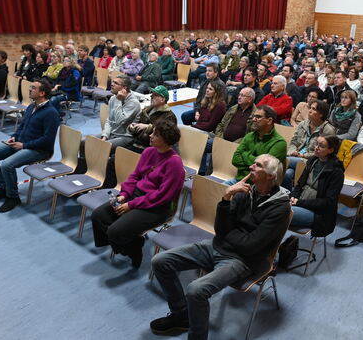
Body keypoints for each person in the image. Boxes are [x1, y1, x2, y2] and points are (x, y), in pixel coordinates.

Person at [149, 153, 290, 340]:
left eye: (258, 165)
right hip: (217, 245)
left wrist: (228, 234)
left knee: (196, 290)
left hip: (243, 261)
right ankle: (182, 316)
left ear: (271, 176)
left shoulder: (280, 208)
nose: (251, 167)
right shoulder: (243, 191)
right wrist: (225, 199)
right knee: (160, 261)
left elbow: (251, 247)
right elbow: (220, 228)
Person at [91, 119, 185, 268]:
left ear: (166, 140)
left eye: (156, 134)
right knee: (98, 216)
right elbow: (135, 176)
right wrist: (124, 194)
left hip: (157, 207)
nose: (150, 136)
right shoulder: (148, 152)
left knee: (115, 231)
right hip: (136, 196)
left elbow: (162, 196)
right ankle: (132, 241)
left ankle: (134, 248)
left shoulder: (175, 164)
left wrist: (131, 205)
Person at [0, 80, 60, 213]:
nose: (29, 90)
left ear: (42, 93)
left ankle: (13, 197)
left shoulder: (51, 113)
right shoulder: (31, 107)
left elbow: (47, 140)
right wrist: (14, 136)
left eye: (33, 88)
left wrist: (24, 145)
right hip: (21, 143)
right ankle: (4, 187)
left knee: (7, 165)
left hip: (39, 150)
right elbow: (22, 126)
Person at [289, 135, 344, 236]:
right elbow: (300, 184)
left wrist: (299, 202)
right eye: (316, 144)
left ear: (331, 150)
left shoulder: (336, 172)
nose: (316, 148)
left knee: (281, 212)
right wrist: (294, 196)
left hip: (318, 214)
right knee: (274, 197)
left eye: (321, 146)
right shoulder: (313, 160)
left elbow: (327, 202)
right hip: (300, 202)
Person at [226, 105, 287, 184]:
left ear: (269, 120)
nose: (254, 119)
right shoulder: (249, 136)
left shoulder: (279, 143)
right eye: (254, 116)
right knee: (217, 191)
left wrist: (245, 154)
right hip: (239, 180)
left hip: (259, 187)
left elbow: (266, 170)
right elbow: (235, 159)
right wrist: (257, 165)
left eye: (258, 117)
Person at [283, 100, 336, 189]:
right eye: (310, 108)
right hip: (295, 157)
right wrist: (292, 151)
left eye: (313, 109)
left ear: (321, 114)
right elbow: (294, 142)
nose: (309, 111)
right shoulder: (303, 123)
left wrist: (303, 155)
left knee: (283, 160)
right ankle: (289, 197)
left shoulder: (328, 130)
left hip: (313, 160)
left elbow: (323, 152)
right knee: (287, 174)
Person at [127, 85, 177, 153]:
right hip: (137, 143)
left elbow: (166, 135)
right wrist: (133, 127)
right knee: (115, 157)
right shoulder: (147, 110)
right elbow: (139, 126)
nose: (151, 97)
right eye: (152, 94)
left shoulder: (169, 116)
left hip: (152, 148)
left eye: (155, 95)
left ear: (162, 99)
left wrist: (148, 127)